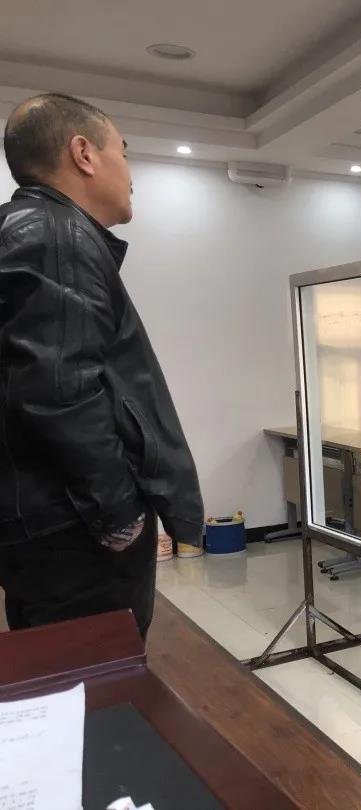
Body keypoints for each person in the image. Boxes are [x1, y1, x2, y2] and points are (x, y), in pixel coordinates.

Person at [0, 94, 203, 637]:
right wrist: (120, 517)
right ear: (84, 153)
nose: (131, 175)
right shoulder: (56, 236)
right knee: (94, 676)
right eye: (125, 153)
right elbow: (58, 393)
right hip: (74, 534)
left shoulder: (27, 229)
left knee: (59, 669)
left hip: (43, 525)